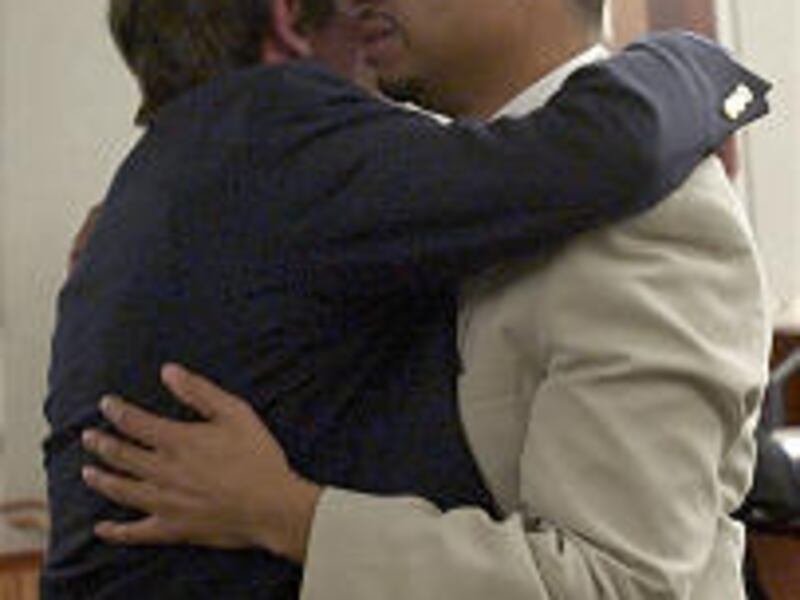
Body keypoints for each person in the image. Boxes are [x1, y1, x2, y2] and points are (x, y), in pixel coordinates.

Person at [56, 0, 768, 598]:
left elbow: (617, 583)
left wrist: (295, 517)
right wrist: (705, 68)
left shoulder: (648, 211)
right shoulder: (356, 176)